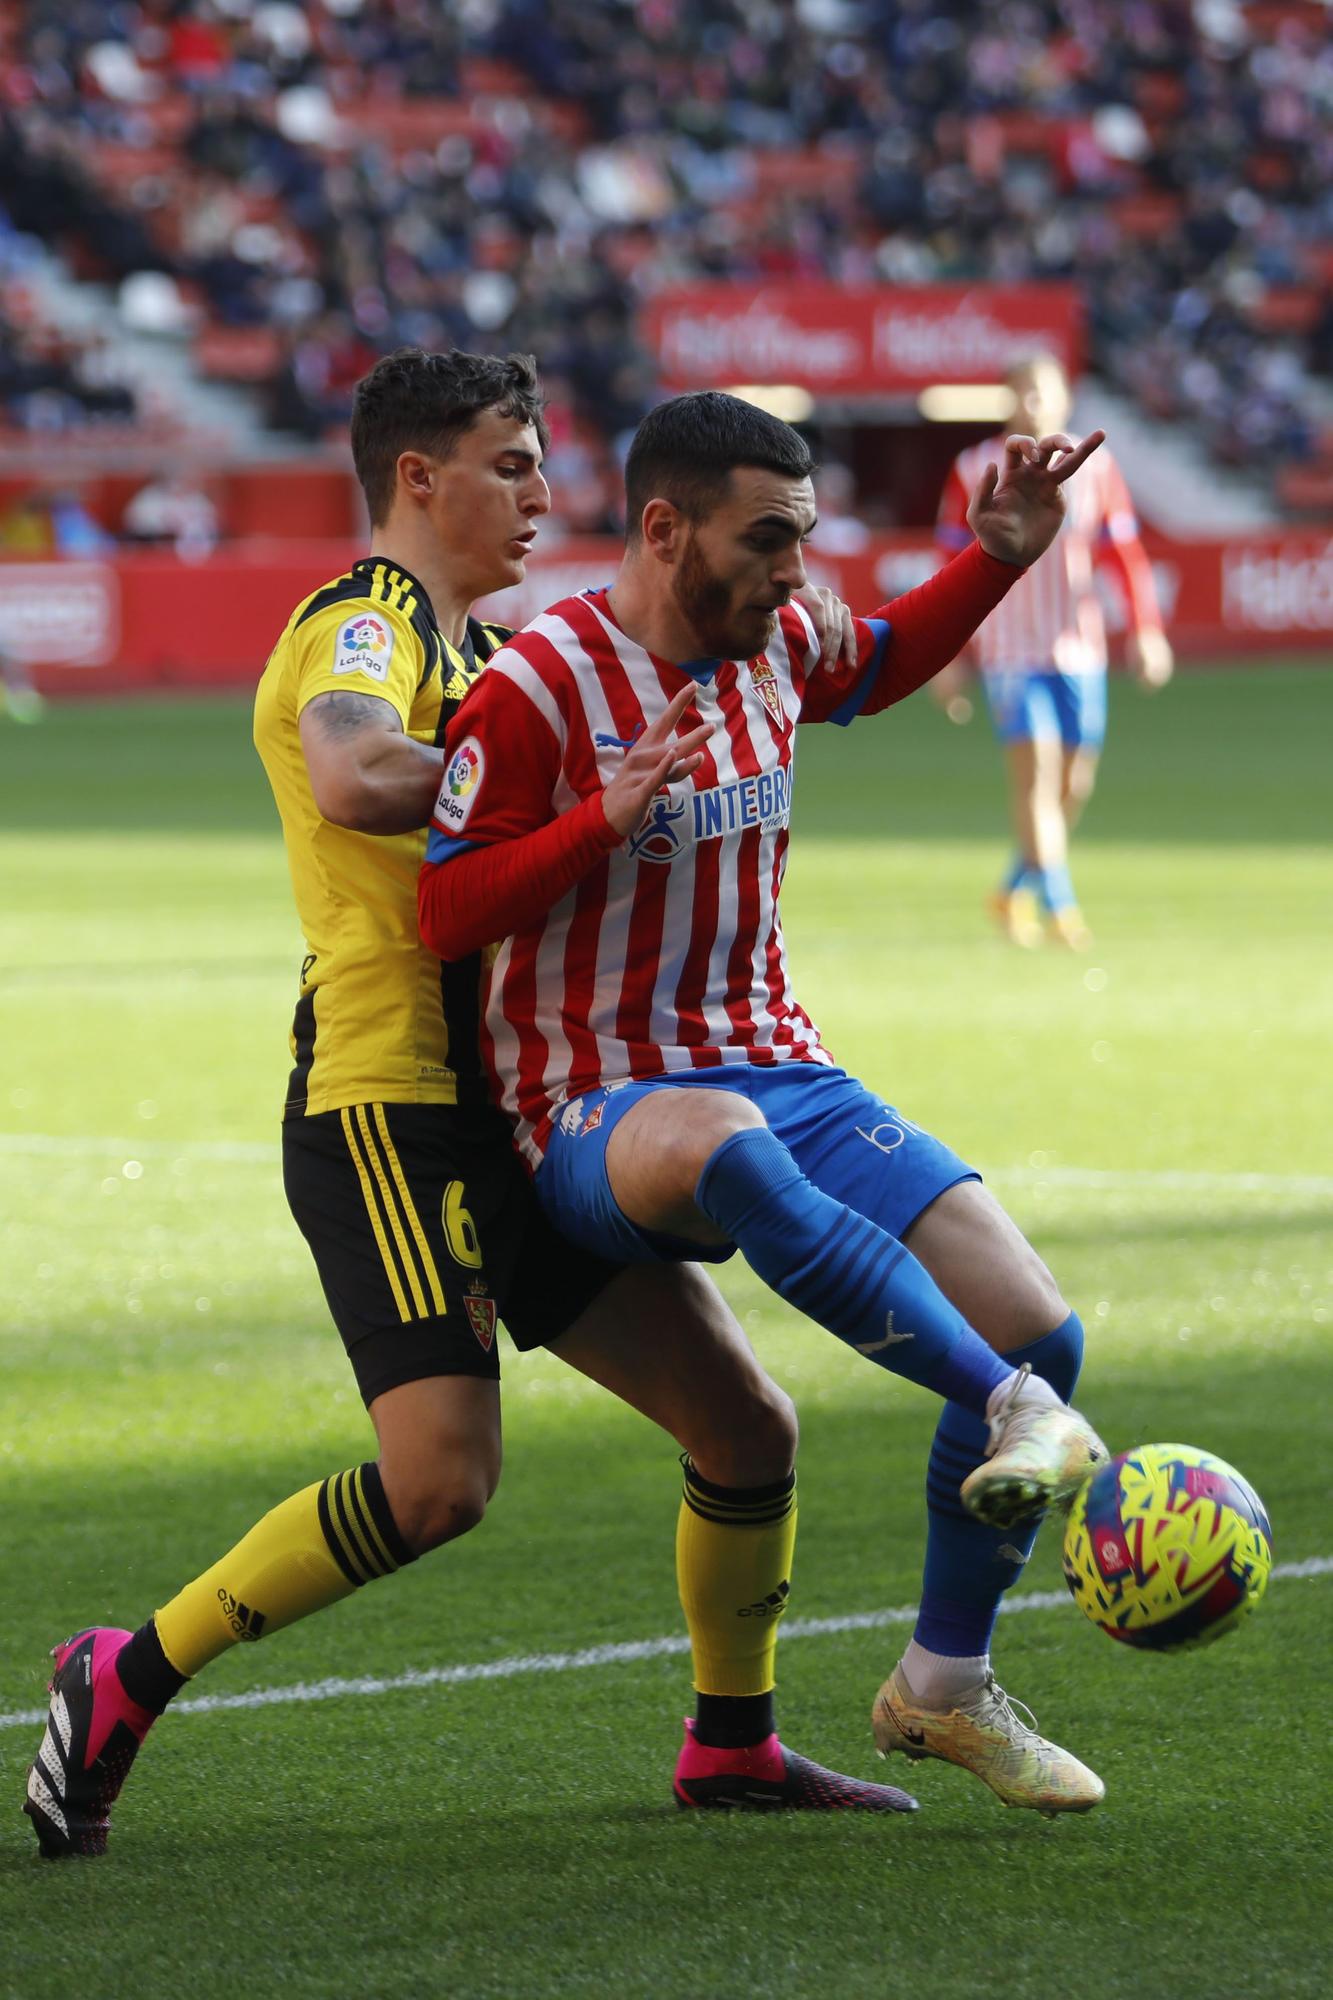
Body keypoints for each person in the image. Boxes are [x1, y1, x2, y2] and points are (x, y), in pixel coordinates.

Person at [23, 349, 920, 1863]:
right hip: (394, 1098)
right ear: (417, 479)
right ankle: (126, 1669)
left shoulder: (490, 643)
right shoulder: (360, 626)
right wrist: (547, 777)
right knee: (441, 1482)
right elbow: (357, 770)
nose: (539, 493)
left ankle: (732, 1746)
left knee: (744, 1424)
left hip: (517, 1095)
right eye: (511, 464)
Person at [419, 390, 1114, 1818]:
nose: (798, 572)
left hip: (775, 1062)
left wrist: (997, 556)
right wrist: (590, 823)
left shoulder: (777, 634)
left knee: (1040, 1315)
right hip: (596, 1102)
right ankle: (1008, 1409)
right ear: (665, 530)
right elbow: (443, 909)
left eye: (803, 539)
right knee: (734, 1155)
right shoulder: (541, 684)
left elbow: (874, 661)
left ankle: (938, 1690)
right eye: (770, 540)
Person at [934, 353, 1173, 948]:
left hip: (1078, 649)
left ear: (1064, 400)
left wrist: (1145, 630)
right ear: (1007, 402)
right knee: (1034, 778)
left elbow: (1123, 554)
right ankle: (1062, 907)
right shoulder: (974, 468)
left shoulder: (1097, 470)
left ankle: (1013, 887)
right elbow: (948, 564)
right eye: (1021, 394)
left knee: (1074, 785)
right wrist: (948, 654)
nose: (1032, 405)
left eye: (1042, 394)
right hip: (1009, 650)